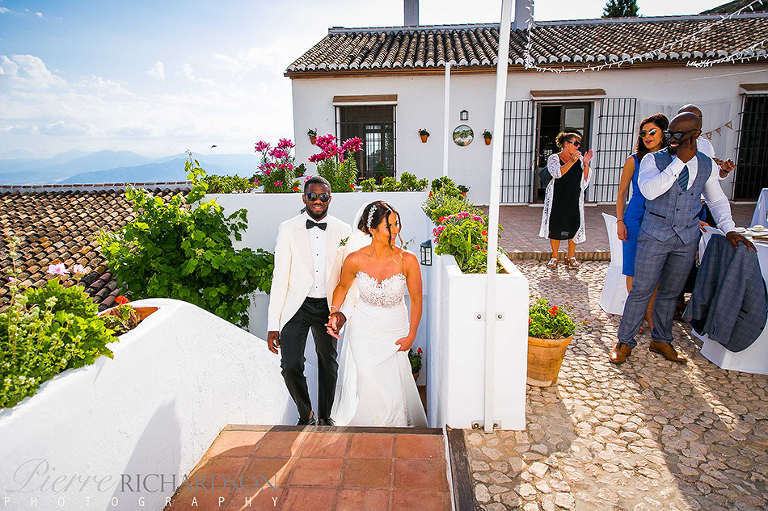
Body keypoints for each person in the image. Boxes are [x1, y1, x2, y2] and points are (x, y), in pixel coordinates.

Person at [609, 112, 754, 365]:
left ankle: (661, 340)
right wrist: (679, 163)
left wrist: (729, 229)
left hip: (686, 238)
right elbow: (650, 191)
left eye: (679, 135)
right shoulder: (653, 159)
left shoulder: (706, 164)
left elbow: (716, 200)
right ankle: (624, 342)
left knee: (670, 293)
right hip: (654, 234)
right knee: (641, 289)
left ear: (696, 134)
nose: (673, 139)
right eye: (670, 134)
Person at [325, 201, 428, 427]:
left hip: (395, 329)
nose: (395, 230)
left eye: (396, 224)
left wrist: (412, 335)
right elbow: (342, 287)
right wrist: (334, 311)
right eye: (388, 226)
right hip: (363, 327)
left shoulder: (408, 260)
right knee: (367, 375)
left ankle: (392, 429)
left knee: (391, 385)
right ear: (372, 229)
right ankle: (372, 427)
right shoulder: (355, 259)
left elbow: (417, 299)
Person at [266, 176, 353, 426]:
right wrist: (273, 323)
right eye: (312, 196)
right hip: (297, 306)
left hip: (328, 306)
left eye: (323, 196)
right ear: (304, 198)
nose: (317, 201)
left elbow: (350, 277)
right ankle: (306, 415)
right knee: (290, 365)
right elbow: (280, 276)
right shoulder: (288, 228)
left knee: (329, 364)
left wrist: (343, 312)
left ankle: (325, 417)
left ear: (330, 199)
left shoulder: (343, 230)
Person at [616, 114, 669, 331]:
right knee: (633, 269)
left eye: (652, 132)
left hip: (660, 218)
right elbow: (621, 193)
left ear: (664, 133)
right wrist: (620, 221)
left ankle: (650, 313)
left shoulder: (671, 160)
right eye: (644, 132)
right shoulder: (634, 160)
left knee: (654, 271)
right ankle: (636, 315)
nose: (647, 136)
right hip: (635, 218)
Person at [539, 132, 594, 269]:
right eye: (575, 143)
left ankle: (571, 255)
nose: (578, 146)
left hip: (574, 197)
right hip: (557, 197)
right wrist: (571, 161)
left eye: (579, 144)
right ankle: (554, 256)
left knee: (574, 225)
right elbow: (557, 173)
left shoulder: (579, 159)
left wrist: (586, 164)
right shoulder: (554, 158)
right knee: (555, 226)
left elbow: (585, 180)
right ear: (566, 144)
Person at [677, 104, 735, 179]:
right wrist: (706, 164)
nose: (698, 121)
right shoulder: (672, 143)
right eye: (692, 117)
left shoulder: (705, 144)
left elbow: (715, 175)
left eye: (700, 118)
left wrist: (725, 170)